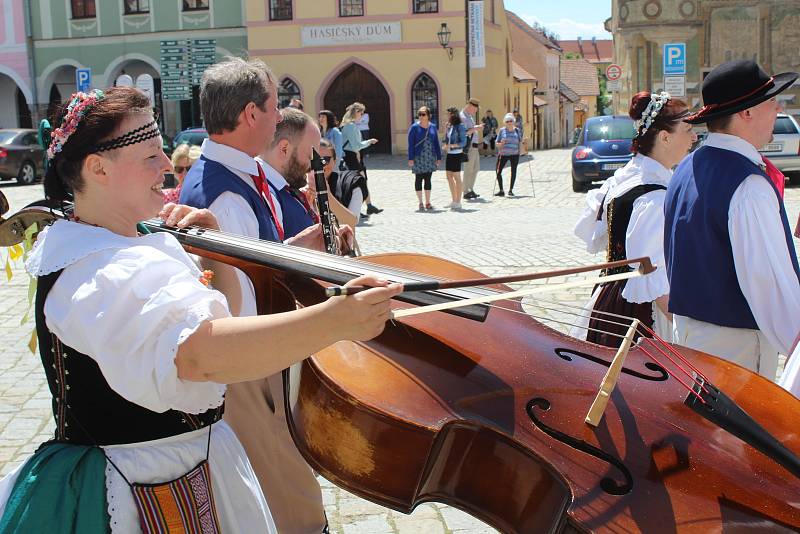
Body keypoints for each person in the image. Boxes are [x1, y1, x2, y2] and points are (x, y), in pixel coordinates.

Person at [0, 86, 401, 533]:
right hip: (134, 487)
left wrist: (216, 256)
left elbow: (223, 323)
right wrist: (331, 321)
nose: (168, 167)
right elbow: (200, 355)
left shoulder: (132, 241)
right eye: (151, 155)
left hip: (183, 466)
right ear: (98, 169)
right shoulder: (98, 269)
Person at [179, 57, 341, 534]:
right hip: (251, 371)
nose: (280, 116)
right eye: (275, 107)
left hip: (255, 361)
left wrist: (292, 250)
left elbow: (250, 262)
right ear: (251, 114)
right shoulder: (224, 194)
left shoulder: (234, 174)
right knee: (286, 492)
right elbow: (238, 304)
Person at [664, 59, 800, 381]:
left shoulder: (687, 166)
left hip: (691, 335)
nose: (778, 109)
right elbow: (768, 283)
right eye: (771, 101)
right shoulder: (748, 186)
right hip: (736, 347)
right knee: (740, 432)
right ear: (747, 112)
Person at [571, 91, 696, 348]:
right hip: (640, 315)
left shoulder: (625, 179)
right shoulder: (654, 198)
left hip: (610, 301)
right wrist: (689, 333)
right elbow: (654, 277)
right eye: (688, 130)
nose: (694, 138)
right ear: (664, 138)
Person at [258, 107, 324, 240]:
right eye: (311, 156)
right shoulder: (263, 192)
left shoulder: (282, 186)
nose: (313, 166)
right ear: (284, 149)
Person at [340, 102, 381, 216]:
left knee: (359, 183)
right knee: (359, 184)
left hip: (351, 157)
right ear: (356, 113)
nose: (361, 116)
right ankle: (356, 209)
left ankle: (366, 207)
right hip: (351, 158)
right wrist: (369, 141)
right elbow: (356, 145)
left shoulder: (347, 125)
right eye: (361, 113)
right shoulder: (351, 126)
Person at [313, 139, 361, 228]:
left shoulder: (349, 183)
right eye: (314, 160)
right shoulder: (295, 187)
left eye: (325, 160)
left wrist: (326, 193)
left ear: (335, 161)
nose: (320, 165)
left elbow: (351, 223)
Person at [407, 106, 442, 211]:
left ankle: (428, 202)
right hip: (418, 157)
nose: (421, 116)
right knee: (418, 179)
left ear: (428, 116)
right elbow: (410, 144)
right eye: (419, 114)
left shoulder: (432, 127)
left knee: (428, 179)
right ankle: (420, 202)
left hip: (429, 156)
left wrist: (438, 157)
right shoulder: (414, 127)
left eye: (423, 114)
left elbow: (436, 143)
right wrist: (410, 158)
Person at [494, 113, 524, 197]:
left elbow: (521, 141)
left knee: (513, 171)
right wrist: (501, 144)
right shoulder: (502, 130)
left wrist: (524, 145)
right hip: (503, 154)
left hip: (515, 154)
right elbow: (496, 143)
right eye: (507, 121)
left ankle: (511, 190)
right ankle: (501, 190)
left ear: (513, 121)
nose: (509, 122)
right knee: (498, 171)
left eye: (511, 121)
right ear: (505, 122)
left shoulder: (517, 130)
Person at [443, 107, 467, 210]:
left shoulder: (460, 126)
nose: (447, 116)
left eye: (448, 114)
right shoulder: (450, 126)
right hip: (449, 153)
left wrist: (452, 146)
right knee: (449, 176)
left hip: (457, 153)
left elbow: (463, 142)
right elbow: (447, 139)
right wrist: (445, 130)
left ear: (453, 115)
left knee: (456, 176)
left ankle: (458, 201)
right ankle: (453, 200)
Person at [460, 97, 482, 200]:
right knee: (468, 169)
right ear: (470, 106)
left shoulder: (469, 116)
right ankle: (465, 191)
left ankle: (470, 189)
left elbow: (471, 130)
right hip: (469, 147)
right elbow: (464, 133)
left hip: (475, 147)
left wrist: (476, 127)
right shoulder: (463, 117)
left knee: (475, 168)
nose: (476, 111)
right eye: (475, 109)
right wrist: (475, 129)